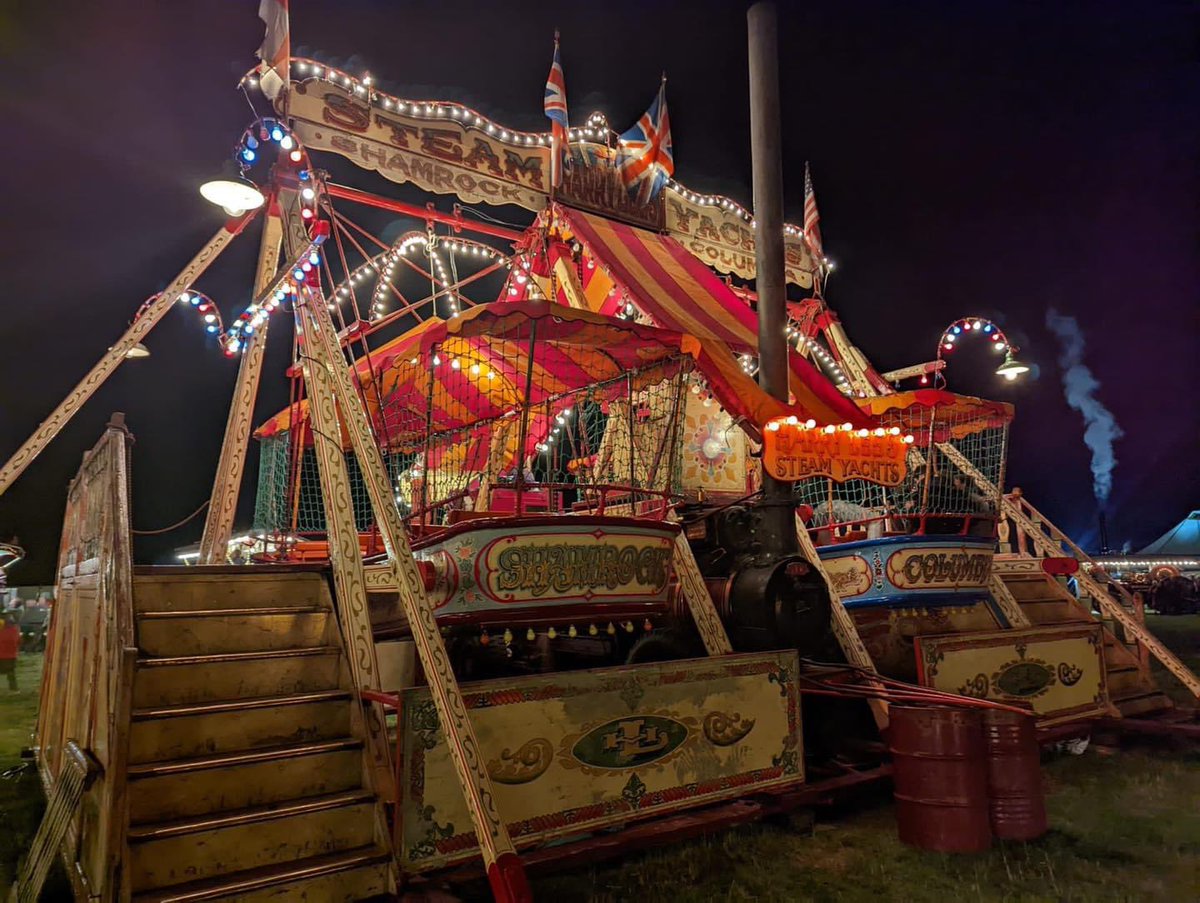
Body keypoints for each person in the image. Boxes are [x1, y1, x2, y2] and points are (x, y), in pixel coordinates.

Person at [0, 614, 19, 692]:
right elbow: (18, 641)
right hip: (11, 656)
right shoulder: (14, 630)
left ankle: (14, 689)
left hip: (3, 655)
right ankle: (14, 689)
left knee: (10, 673)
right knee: (11, 673)